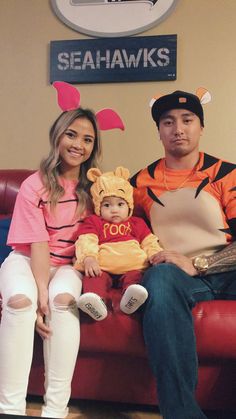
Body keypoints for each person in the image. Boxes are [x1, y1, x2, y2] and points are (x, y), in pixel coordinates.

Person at [0, 81, 124, 418]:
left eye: (88, 139)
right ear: (58, 136)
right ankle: (9, 408)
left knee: (63, 302)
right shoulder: (34, 184)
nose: (79, 145)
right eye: (72, 135)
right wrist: (39, 293)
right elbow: (37, 242)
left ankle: (55, 410)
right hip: (27, 259)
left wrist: (51, 297)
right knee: (20, 303)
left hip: (69, 265)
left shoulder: (94, 188)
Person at [130, 88, 236, 419]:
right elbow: (127, 235)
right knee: (157, 281)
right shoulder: (139, 183)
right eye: (168, 122)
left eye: (188, 120)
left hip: (225, 267)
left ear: (201, 126)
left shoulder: (226, 174)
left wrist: (200, 264)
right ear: (159, 131)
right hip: (175, 276)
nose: (178, 129)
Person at [74, 166, 162, 320]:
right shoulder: (94, 221)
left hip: (132, 267)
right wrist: (88, 258)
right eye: (107, 205)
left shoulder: (137, 222)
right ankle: (96, 303)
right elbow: (87, 240)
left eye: (120, 204)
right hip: (102, 268)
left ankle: (131, 299)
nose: (114, 210)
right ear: (98, 207)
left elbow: (149, 242)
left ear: (129, 206)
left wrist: (155, 255)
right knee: (93, 278)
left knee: (135, 278)